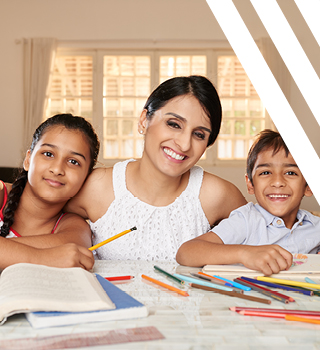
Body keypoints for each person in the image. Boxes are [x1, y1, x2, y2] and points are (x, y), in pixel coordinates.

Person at [66, 76, 246, 261]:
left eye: (199, 134)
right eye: (174, 124)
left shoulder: (218, 195)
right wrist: (75, 229)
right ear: (144, 120)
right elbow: (42, 216)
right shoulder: (97, 186)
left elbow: (265, 239)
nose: (184, 144)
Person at [176, 129, 320, 275]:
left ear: (308, 186)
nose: (277, 182)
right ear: (250, 184)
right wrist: (245, 254)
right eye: (265, 172)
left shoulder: (315, 226)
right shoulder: (246, 220)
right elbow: (186, 252)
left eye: (290, 173)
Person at [0, 113, 100, 270]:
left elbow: (72, 252)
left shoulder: (74, 227)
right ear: (28, 160)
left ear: (86, 177)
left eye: (74, 162)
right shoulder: (1, 193)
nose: (57, 169)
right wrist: (42, 257)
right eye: (48, 154)